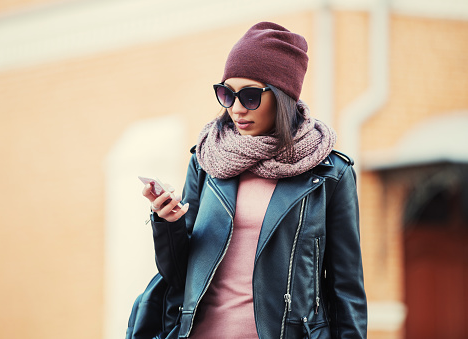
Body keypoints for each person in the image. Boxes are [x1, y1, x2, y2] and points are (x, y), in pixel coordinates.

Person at [140, 21, 367, 339]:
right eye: (226, 93)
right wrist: (168, 223)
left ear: (281, 96)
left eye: (249, 96)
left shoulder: (329, 174)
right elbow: (179, 275)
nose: (235, 108)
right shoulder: (207, 161)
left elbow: (347, 289)